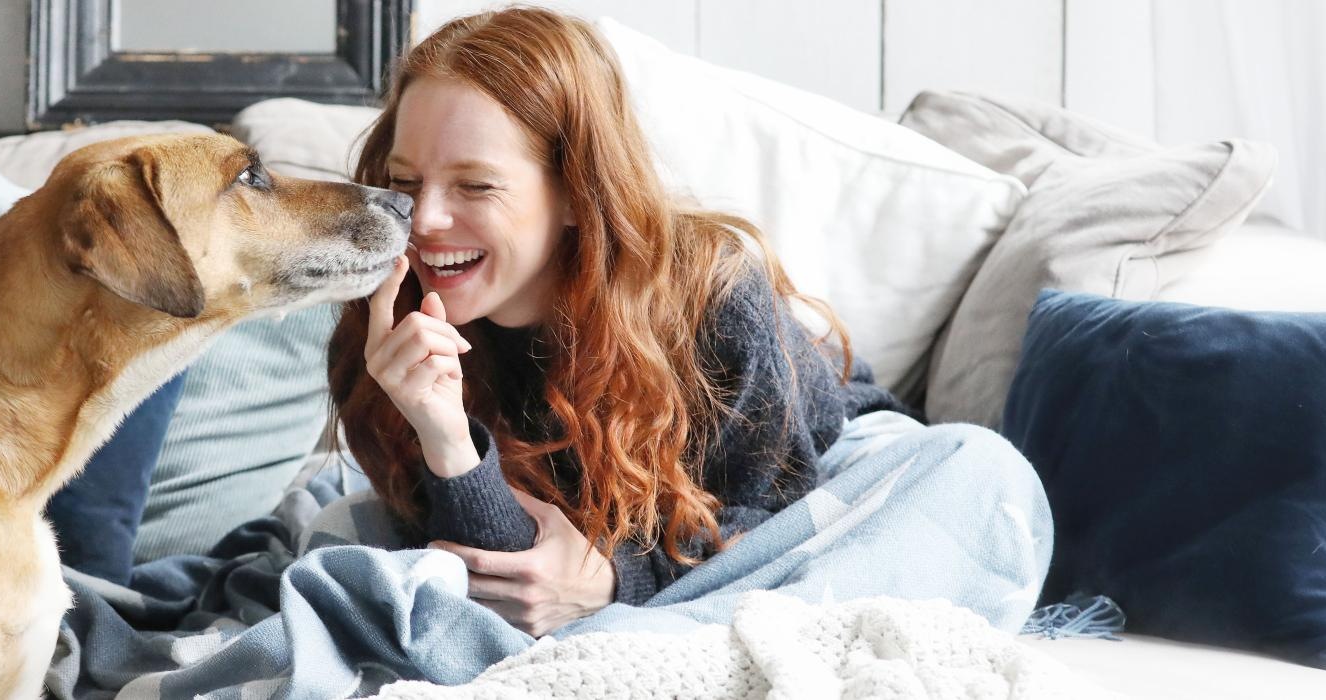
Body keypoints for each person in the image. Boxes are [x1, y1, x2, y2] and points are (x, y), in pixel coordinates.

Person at [314, 7, 1047, 638]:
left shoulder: (714, 299)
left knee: (980, 472)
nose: (428, 219)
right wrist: (446, 436)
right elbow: (505, 585)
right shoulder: (381, 324)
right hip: (631, 552)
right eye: (405, 183)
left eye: (475, 185)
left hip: (801, 482)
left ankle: (647, 636)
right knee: (339, 540)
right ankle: (657, 638)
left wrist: (611, 586)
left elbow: (772, 528)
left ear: (575, 192)